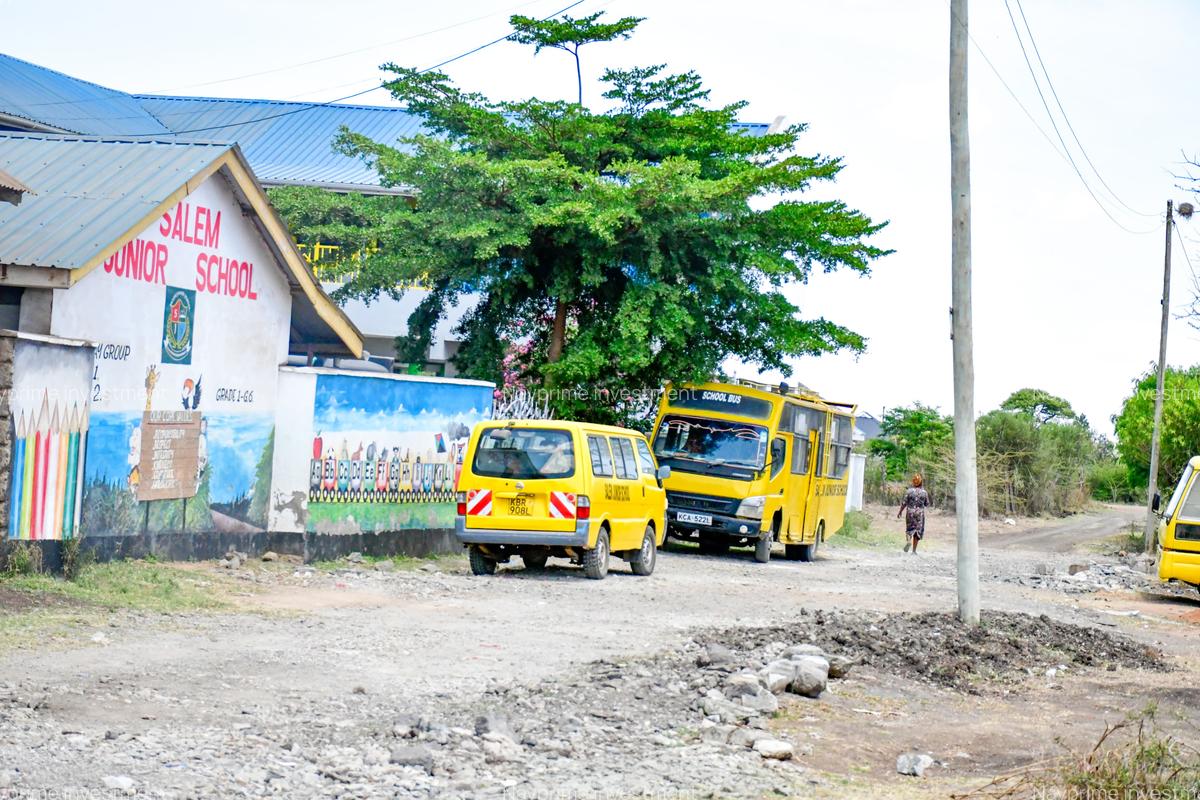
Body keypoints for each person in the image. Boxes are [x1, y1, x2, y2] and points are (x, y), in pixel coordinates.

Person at [897, 474, 930, 553]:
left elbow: (904, 503)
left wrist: (900, 512)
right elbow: (927, 504)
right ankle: (914, 551)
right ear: (921, 482)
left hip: (910, 513)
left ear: (913, 482)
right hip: (920, 514)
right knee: (917, 532)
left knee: (909, 529)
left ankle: (909, 541)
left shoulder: (909, 491)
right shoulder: (924, 492)